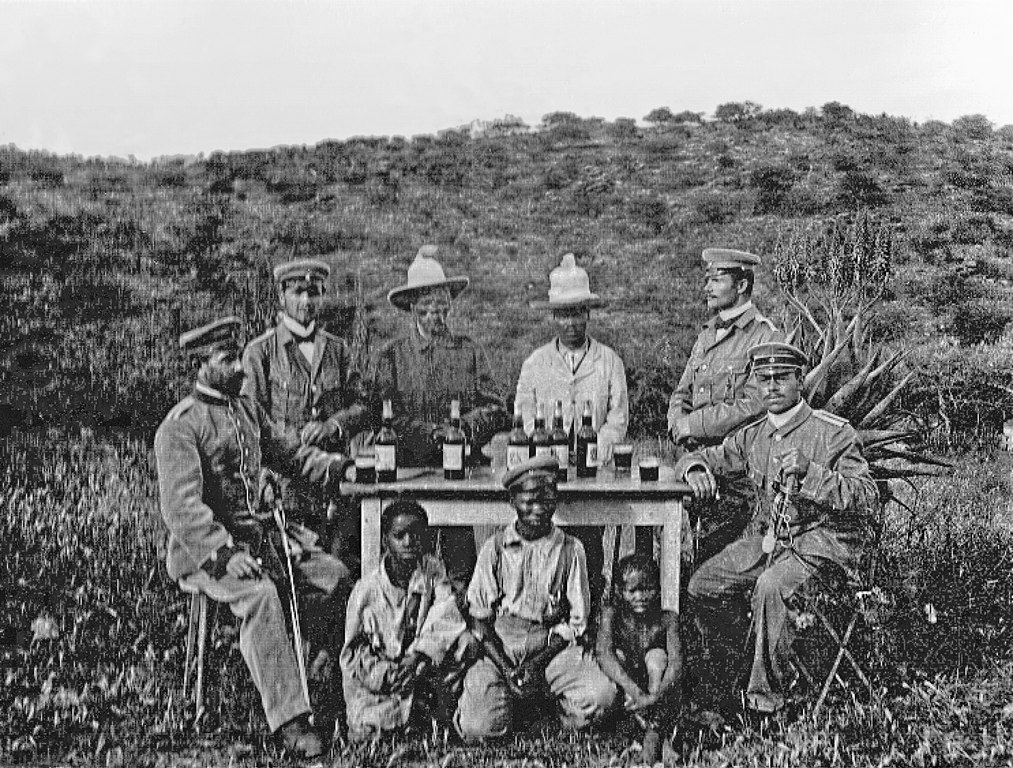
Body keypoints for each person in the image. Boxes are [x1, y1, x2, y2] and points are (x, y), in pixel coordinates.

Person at [154, 316, 352, 758]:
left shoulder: (244, 409)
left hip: (263, 537)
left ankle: (326, 681)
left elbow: (289, 452)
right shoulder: (180, 426)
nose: (241, 369)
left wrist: (339, 468)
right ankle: (290, 720)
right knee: (262, 596)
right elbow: (182, 510)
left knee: (336, 576)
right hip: (205, 553)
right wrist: (224, 556)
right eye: (228, 360)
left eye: (239, 357)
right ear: (202, 366)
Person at [675, 342, 877, 720]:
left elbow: (867, 498)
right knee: (702, 584)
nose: (771, 387)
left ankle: (765, 703)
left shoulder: (833, 433)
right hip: (771, 543)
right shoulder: (754, 435)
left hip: (824, 546)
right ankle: (734, 675)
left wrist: (812, 475)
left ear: (800, 380)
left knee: (770, 586)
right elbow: (702, 456)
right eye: (763, 379)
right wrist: (694, 470)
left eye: (781, 378)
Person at [373, 245, 509, 588]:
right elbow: (386, 415)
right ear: (412, 309)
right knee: (407, 565)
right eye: (428, 309)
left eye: (442, 308)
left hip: (460, 475)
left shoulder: (469, 351)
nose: (437, 317)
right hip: (408, 475)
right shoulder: (392, 357)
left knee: (461, 568)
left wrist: (464, 428)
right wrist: (432, 433)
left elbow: (497, 407)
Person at [455, 456, 617, 741]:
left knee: (600, 697)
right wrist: (507, 669)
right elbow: (480, 619)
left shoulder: (569, 549)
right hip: (501, 647)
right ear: (512, 501)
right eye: (529, 501)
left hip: (549, 647)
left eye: (547, 500)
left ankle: (543, 705)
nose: (538, 509)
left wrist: (536, 663)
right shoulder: (495, 549)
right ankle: (510, 702)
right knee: (477, 727)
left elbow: (576, 621)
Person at [515, 252, 629, 604]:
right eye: (564, 313)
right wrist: (549, 447)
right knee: (548, 548)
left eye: (578, 312)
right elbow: (524, 414)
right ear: (553, 316)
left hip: (593, 470)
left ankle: (591, 620)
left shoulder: (608, 361)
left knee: (588, 549)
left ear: (588, 314)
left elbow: (617, 417)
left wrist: (599, 445)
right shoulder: (536, 363)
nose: (571, 323)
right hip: (549, 473)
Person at [667, 248, 784, 565]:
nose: (707, 288)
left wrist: (694, 424)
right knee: (681, 560)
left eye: (716, 280)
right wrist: (678, 422)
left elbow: (757, 404)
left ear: (742, 285)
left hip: (735, 477)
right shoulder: (705, 336)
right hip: (692, 467)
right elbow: (682, 393)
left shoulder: (764, 335)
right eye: (708, 279)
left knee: (721, 568)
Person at [242, 258, 368, 541]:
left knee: (343, 566)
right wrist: (263, 478)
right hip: (286, 488)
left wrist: (333, 425)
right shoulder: (260, 353)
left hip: (336, 487)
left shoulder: (338, 350)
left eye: (313, 293)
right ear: (281, 296)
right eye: (297, 292)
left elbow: (363, 406)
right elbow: (250, 426)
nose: (306, 300)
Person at [341, 498, 471, 741]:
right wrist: (389, 675)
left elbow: (446, 612)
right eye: (399, 536)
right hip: (384, 680)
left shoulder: (432, 571)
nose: (409, 542)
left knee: (465, 644)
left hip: (420, 665)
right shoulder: (366, 591)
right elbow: (353, 653)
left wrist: (417, 657)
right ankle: (410, 715)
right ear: (385, 541)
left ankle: (426, 710)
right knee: (368, 727)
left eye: (416, 535)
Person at [595, 555, 681, 764]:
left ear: (657, 588)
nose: (640, 596)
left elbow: (676, 664)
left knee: (657, 657)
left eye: (647, 589)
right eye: (632, 591)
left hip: (655, 689)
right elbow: (604, 654)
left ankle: (654, 733)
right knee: (619, 657)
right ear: (619, 591)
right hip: (628, 688)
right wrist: (636, 693)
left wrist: (655, 695)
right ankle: (646, 734)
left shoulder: (667, 619)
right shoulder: (611, 615)